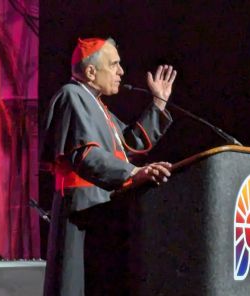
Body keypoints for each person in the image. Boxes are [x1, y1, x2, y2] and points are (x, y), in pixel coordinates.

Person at [41, 37, 177, 296]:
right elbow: (85, 155)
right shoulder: (72, 96)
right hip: (81, 213)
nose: (121, 71)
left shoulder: (97, 106)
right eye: (114, 64)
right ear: (91, 72)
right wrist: (134, 173)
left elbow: (128, 145)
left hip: (102, 211)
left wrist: (158, 103)